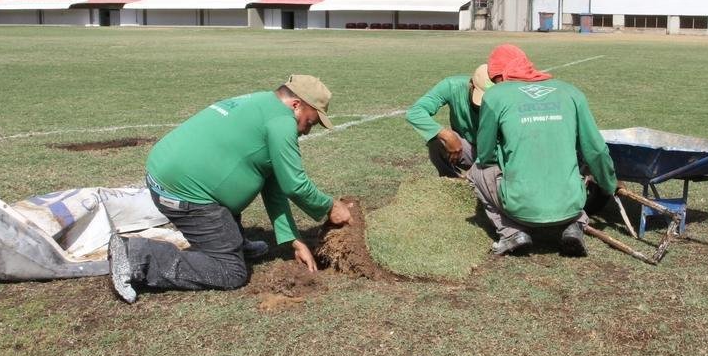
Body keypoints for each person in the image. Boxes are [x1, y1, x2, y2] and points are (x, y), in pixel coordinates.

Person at [108, 74, 352, 303]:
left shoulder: (262, 102)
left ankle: (232, 240)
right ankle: (135, 257)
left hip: (174, 173)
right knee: (230, 271)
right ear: (297, 105)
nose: (308, 130)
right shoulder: (281, 122)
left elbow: (275, 182)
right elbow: (295, 184)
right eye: (310, 121)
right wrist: (330, 206)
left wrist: (293, 240)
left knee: (235, 186)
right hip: (184, 193)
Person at [467, 44, 618, 256]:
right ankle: (574, 225)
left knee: (477, 170)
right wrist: (609, 184)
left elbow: (485, 154)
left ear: (500, 74)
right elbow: (597, 151)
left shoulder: (496, 96)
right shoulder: (571, 92)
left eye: (495, 79)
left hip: (519, 208)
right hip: (571, 204)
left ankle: (511, 233)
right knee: (578, 163)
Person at [405, 64, 492, 177]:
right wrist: (447, 135)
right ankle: (452, 182)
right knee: (438, 142)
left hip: (494, 156)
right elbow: (415, 112)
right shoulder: (452, 86)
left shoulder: (505, 99)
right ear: (471, 84)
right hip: (468, 148)